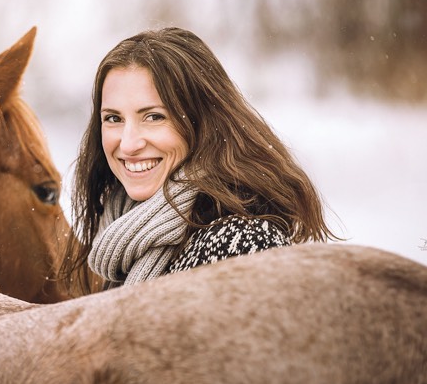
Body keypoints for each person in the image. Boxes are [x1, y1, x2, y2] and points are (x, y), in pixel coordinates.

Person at [62, 27, 339, 293]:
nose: (128, 143)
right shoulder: (119, 241)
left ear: (203, 124)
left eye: (154, 117)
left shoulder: (240, 245)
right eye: (113, 118)